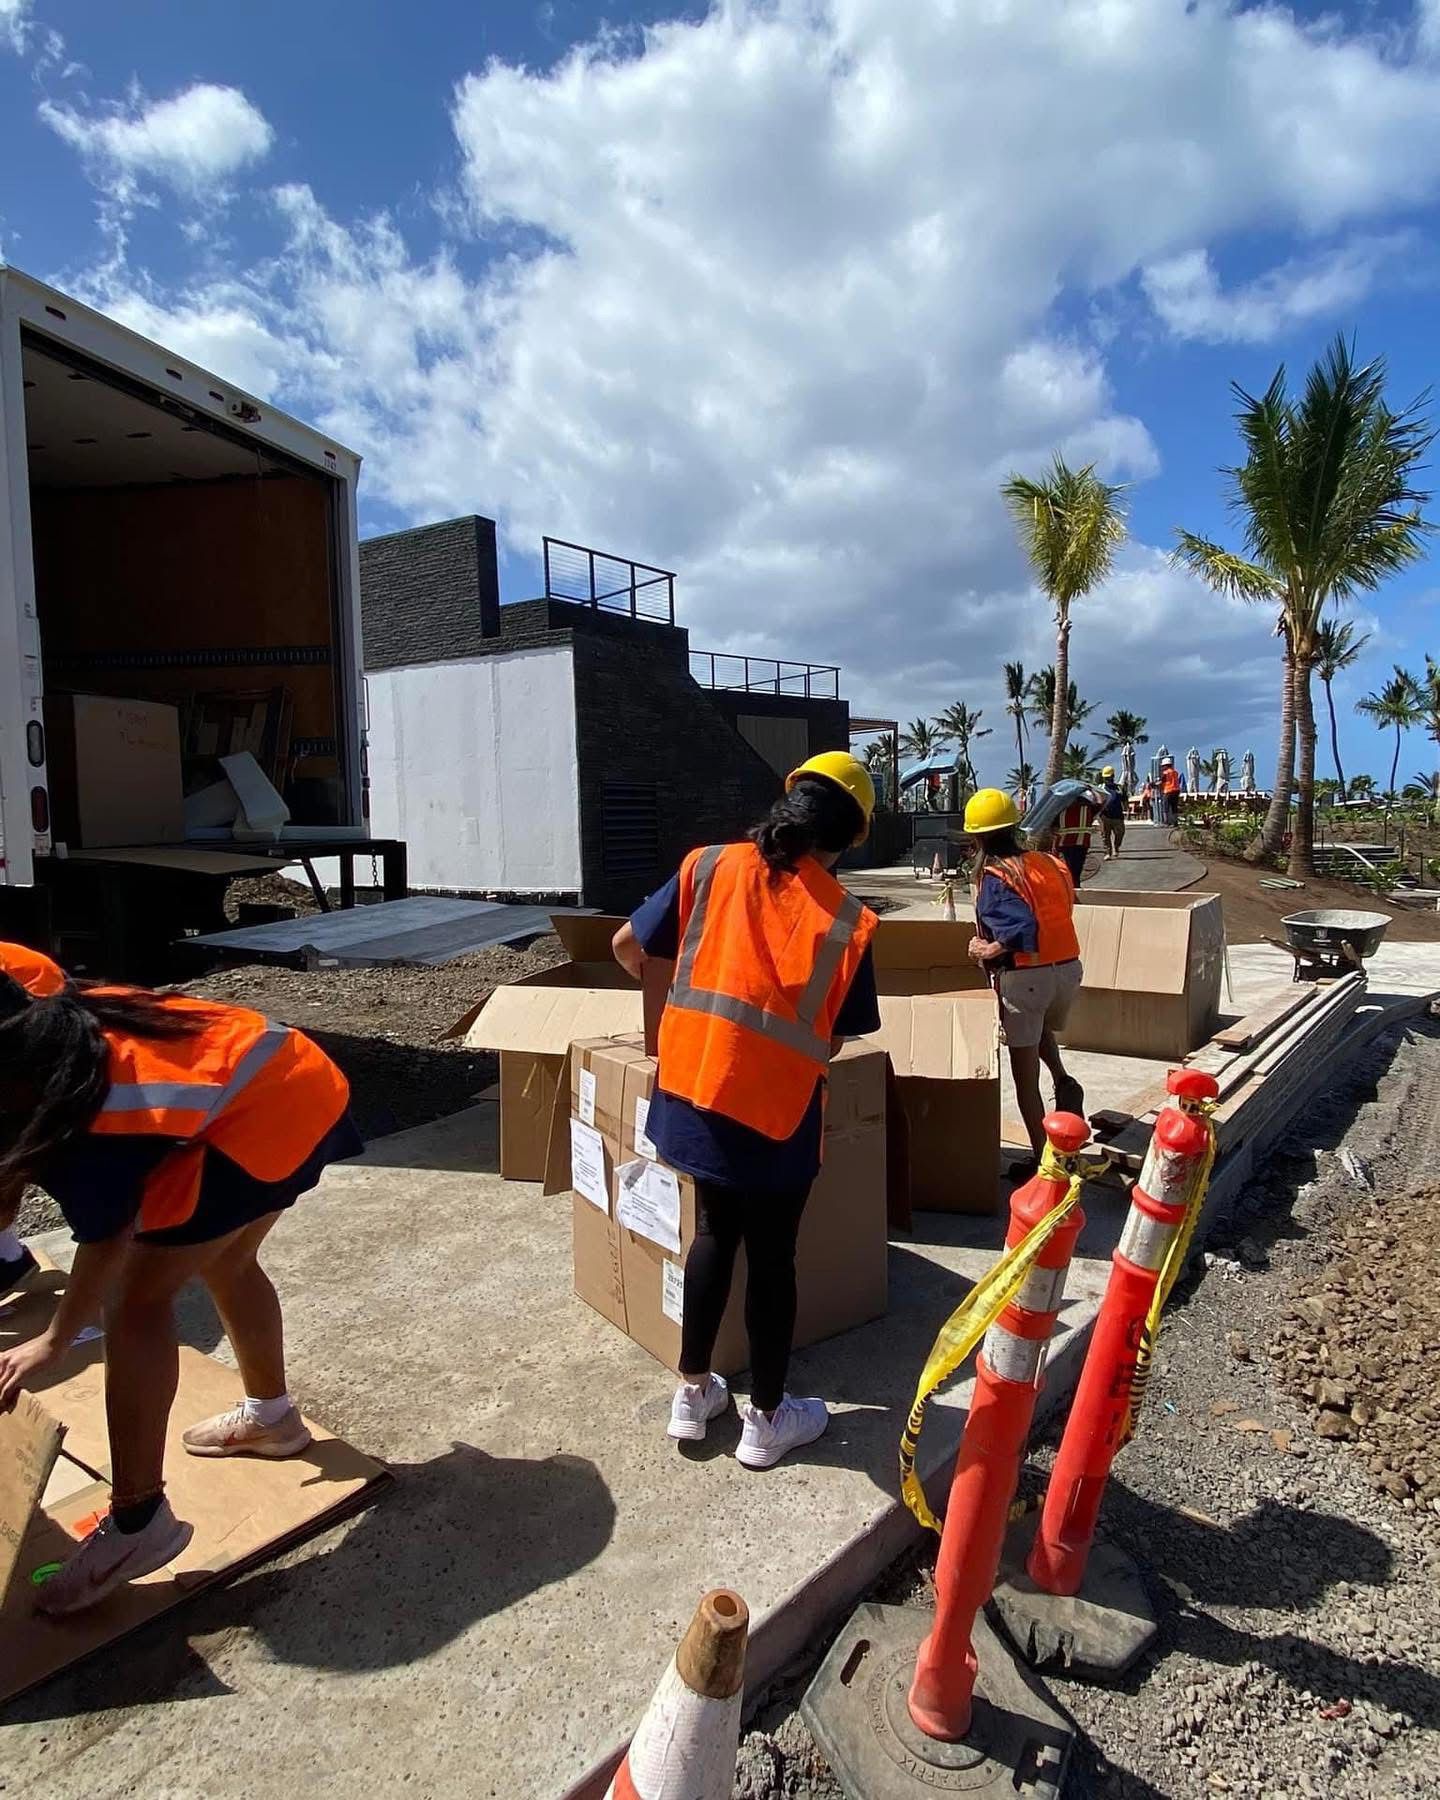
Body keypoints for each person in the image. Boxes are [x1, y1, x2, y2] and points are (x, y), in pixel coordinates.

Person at [0, 942, 361, 1614]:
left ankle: (139, 1522)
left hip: (269, 1108)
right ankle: (273, 1421)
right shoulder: (38, 1015)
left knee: (136, 1300)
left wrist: (55, 1337)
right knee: (227, 1258)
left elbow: (107, 1239)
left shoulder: (85, 1113)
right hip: (289, 1073)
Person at [611, 752, 881, 1470]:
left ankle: (693, 1393)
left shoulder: (708, 866)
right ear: (851, 838)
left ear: (789, 799)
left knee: (711, 1234)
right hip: (778, 1114)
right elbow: (836, 1031)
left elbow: (626, 947)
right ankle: (766, 1421)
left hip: (693, 1091)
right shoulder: (850, 921)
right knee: (772, 1258)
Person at [963, 790, 1085, 1177]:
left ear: (978, 838)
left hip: (1027, 976)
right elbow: (1059, 910)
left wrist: (987, 950)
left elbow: (1020, 929)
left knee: (1024, 1078)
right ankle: (1064, 1080)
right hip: (1066, 968)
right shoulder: (1049, 863)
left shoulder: (997, 876)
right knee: (1039, 1028)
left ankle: (1042, 1160)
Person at [1052, 783, 1100, 888]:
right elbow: (1100, 802)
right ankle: (1075, 888)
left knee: (1068, 870)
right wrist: (1092, 790)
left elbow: (1054, 828)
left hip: (1065, 844)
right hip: (1082, 843)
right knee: (1077, 870)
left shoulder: (1060, 809)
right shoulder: (1088, 807)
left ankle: (1071, 889)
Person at [1097, 765, 1126, 860]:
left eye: (1109, 777)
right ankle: (1107, 852)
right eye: (1106, 778)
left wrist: (1127, 809)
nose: (1108, 779)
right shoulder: (1100, 788)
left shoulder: (1119, 788)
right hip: (1105, 816)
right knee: (1105, 835)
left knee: (1120, 833)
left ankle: (1116, 847)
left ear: (1113, 776)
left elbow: (1125, 799)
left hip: (1118, 816)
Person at [1160, 756, 1181, 828]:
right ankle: (1175, 822)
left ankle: (1166, 822)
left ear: (1166, 765)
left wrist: (1153, 784)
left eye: (1163, 766)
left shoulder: (1165, 773)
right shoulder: (1175, 772)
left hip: (1168, 791)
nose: (1162, 767)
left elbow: (1161, 781)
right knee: (1174, 807)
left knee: (1165, 807)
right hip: (1176, 791)